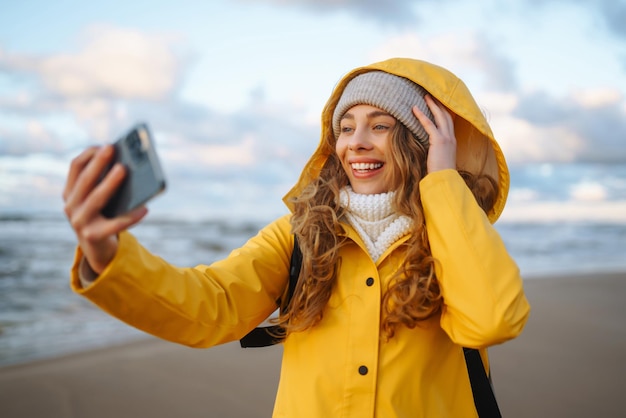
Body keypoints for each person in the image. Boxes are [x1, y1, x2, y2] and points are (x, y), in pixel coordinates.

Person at [63, 57, 530, 417]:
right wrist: (107, 256)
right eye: (344, 128)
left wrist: (443, 184)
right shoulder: (301, 235)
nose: (356, 142)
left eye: (381, 126)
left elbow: (492, 320)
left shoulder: (458, 235)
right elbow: (210, 305)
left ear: (423, 142)